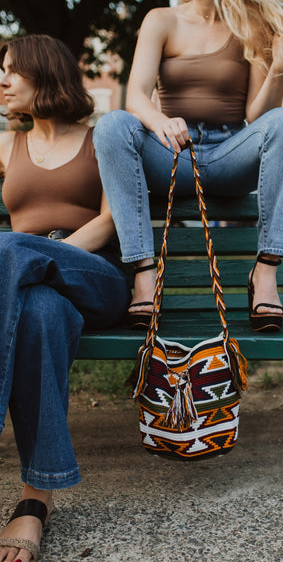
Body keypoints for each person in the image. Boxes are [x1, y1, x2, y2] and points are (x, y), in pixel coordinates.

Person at [94, 0, 283, 332]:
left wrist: (280, 69)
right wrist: (160, 122)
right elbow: (136, 96)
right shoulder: (161, 20)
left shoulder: (250, 26)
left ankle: (265, 273)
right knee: (111, 125)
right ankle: (143, 273)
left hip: (229, 156)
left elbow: (258, 118)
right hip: (171, 154)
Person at [0, 34, 130, 562]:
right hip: (28, 289)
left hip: (95, 273)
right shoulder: (6, 145)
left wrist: (42, 257)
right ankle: (36, 501)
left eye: (12, 70)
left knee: (10, 249)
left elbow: (112, 218)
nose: (2, 80)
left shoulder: (104, 139)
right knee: (38, 312)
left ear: (45, 75)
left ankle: (27, 262)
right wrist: (30, 264)